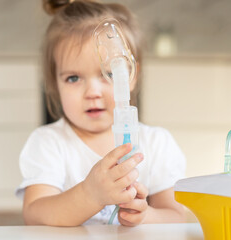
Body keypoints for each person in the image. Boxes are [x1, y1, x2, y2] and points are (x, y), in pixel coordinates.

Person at [16, 0, 187, 227]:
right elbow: (34, 215)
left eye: (109, 73)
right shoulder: (48, 143)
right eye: (73, 78)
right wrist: (90, 195)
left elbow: (176, 218)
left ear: (132, 77)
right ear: (55, 84)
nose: (92, 92)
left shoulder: (157, 143)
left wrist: (145, 216)